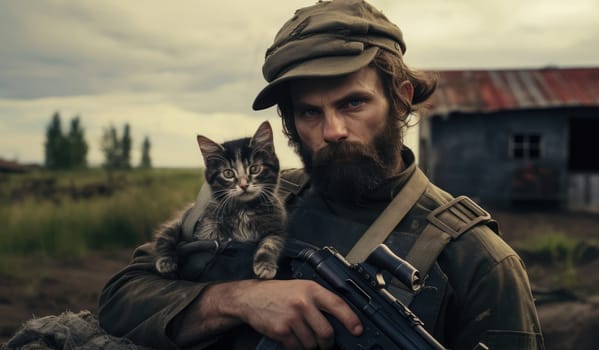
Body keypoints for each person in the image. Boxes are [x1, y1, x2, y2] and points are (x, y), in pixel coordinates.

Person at [98, 0, 545, 349]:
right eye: (310, 112)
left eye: (353, 103)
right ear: (289, 124)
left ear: (402, 100)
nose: (332, 130)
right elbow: (121, 299)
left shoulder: (481, 263)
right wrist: (237, 300)